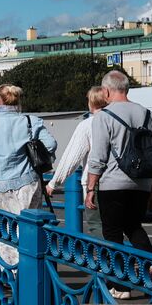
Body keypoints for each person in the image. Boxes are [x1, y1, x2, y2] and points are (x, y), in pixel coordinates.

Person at [85, 70, 152, 298]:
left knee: (112, 234)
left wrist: (90, 188)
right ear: (126, 89)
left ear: (106, 91)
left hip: (113, 184)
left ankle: (120, 286)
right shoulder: (148, 115)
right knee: (133, 226)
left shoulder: (104, 116)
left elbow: (98, 157)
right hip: (142, 184)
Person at [0, 84, 57, 264]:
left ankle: (12, 271)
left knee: (3, 230)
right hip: (28, 183)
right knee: (28, 229)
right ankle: (29, 267)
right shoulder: (31, 121)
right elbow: (51, 144)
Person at [46, 86, 107, 234]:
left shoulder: (87, 124)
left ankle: (107, 257)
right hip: (123, 183)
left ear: (91, 102)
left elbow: (71, 158)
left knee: (98, 227)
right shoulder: (118, 120)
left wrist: (54, 183)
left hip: (96, 184)